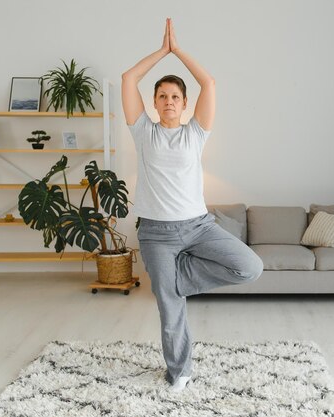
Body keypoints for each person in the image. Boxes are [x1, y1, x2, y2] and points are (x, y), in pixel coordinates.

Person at [121, 18, 263, 392]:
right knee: (170, 312)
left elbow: (210, 83)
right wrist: (160, 52)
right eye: (162, 96)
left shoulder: (195, 134)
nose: (168, 101)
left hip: (199, 227)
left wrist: (178, 50)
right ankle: (179, 371)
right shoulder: (143, 132)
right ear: (154, 102)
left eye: (175, 97)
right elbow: (127, 78)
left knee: (249, 266)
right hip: (155, 234)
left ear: (185, 104)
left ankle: (175, 281)